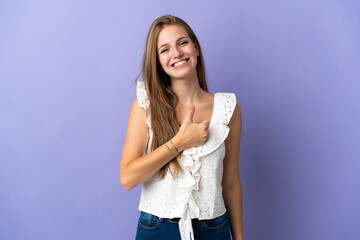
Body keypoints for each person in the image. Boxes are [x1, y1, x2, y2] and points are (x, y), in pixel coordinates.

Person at [120, 15, 244, 240]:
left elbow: (231, 182)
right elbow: (128, 177)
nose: (176, 53)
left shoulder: (228, 109)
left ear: (195, 47)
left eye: (182, 43)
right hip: (157, 229)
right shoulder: (145, 105)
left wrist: (239, 238)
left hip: (214, 229)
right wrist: (180, 142)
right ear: (157, 61)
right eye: (164, 50)